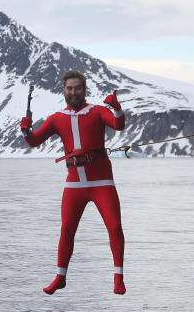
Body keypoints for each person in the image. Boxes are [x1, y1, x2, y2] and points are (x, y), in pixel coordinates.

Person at [20, 70, 126, 295]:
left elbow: (118, 126)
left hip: (102, 183)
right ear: (64, 91)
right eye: (69, 88)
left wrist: (116, 108)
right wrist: (26, 131)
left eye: (77, 88)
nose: (73, 92)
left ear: (84, 89)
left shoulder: (98, 111)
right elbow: (34, 141)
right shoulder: (57, 118)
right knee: (67, 230)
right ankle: (60, 277)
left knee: (114, 226)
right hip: (74, 185)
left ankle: (118, 277)